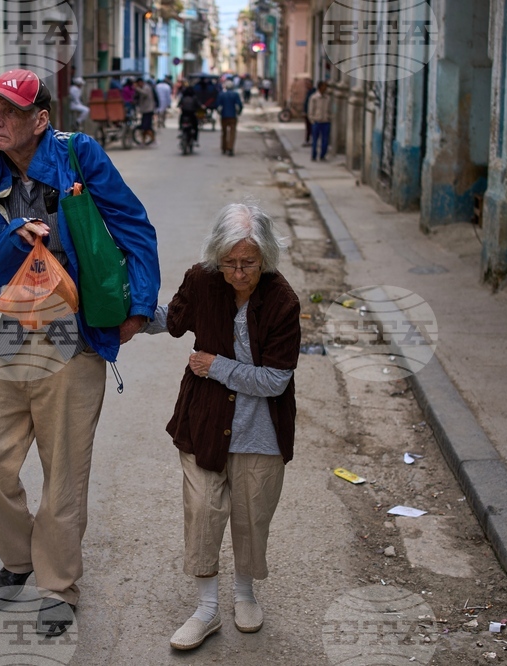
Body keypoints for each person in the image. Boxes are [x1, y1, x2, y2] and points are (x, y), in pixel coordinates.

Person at [0, 68, 160, 638]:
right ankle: (21, 558)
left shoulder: (78, 157)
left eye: (12, 112)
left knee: (64, 467)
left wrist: (137, 309)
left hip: (71, 324)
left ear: (40, 120)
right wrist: (9, 239)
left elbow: (134, 227)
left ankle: (57, 584)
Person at [144, 204, 300, 651]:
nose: (237, 273)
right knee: (203, 511)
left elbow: (275, 380)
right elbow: (171, 319)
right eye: (229, 263)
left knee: (252, 515)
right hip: (205, 422)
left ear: (265, 258)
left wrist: (217, 366)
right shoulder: (201, 279)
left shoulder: (283, 302)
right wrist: (126, 316)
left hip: (261, 431)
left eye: (247, 263)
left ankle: (245, 594)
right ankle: (207, 610)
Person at [215, 80, 243, 156]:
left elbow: (217, 105)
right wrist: (239, 112)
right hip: (233, 116)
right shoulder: (235, 95)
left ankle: (224, 148)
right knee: (232, 133)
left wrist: (219, 113)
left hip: (224, 116)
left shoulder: (221, 94)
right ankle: (230, 148)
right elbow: (239, 105)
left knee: (224, 133)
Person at [308, 81, 332, 161]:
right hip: (316, 122)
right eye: (324, 86)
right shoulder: (314, 97)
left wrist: (329, 118)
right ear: (320, 87)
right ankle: (314, 155)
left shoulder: (327, 98)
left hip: (325, 122)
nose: (325, 88)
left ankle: (322, 155)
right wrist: (312, 120)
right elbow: (310, 110)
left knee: (325, 140)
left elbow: (330, 109)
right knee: (315, 140)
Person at [134, 77, 156, 142]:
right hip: (144, 110)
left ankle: (153, 140)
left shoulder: (146, 88)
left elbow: (145, 94)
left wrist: (137, 89)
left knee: (146, 127)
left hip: (148, 110)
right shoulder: (142, 88)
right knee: (144, 127)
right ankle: (143, 141)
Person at [302, 78, 315, 146]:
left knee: (311, 127)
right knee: (308, 127)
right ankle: (307, 140)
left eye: (307, 84)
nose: (306, 85)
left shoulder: (313, 92)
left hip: (311, 113)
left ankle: (311, 140)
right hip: (307, 113)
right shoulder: (308, 92)